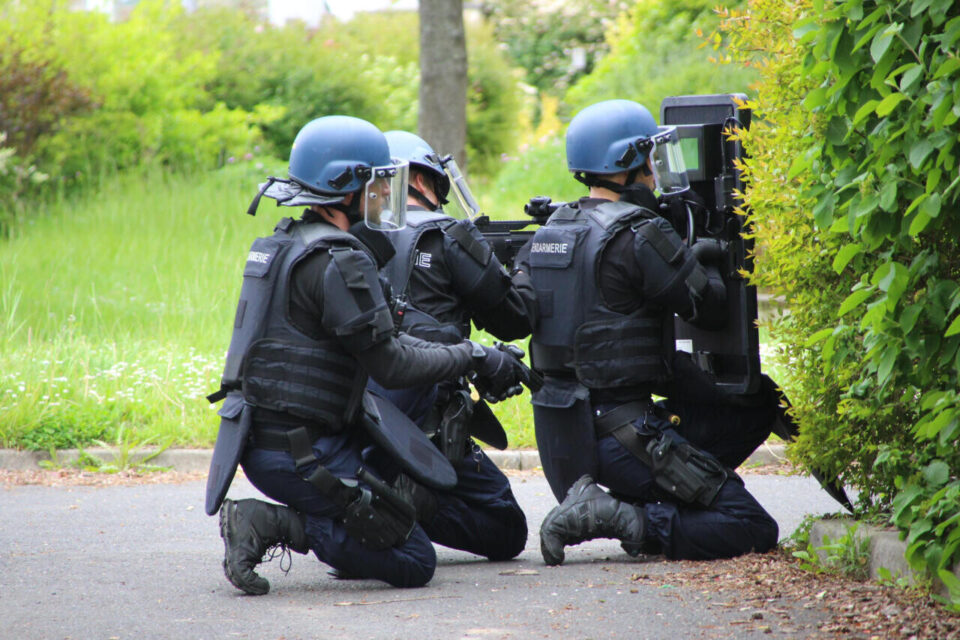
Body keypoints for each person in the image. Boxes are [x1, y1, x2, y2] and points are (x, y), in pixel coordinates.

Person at [205, 115, 530, 593]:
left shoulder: (288, 244)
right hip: (304, 453)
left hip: (272, 438)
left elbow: (389, 342)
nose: (383, 196)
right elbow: (393, 366)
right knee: (414, 560)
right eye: (377, 184)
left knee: (437, 525)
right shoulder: (339, 260)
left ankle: (368, 520)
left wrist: (472, 353)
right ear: (346, 188)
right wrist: (473, 357)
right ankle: (272, 523)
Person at [518, 99, 780, 564]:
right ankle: (624, 518)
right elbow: (708, 308)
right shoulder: (637, 233)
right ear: (629, 164)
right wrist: (703, 254)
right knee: (751, 525)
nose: (656, 174)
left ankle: (649, 504)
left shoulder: (550, 231)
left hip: (566, 435)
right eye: (650, 160)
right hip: (626, 436)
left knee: (757, 404)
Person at [364, 130, 535, 562]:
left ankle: (373, 511)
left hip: (361, 420)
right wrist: (525, 268)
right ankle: (403, 507)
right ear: (422, 180)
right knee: (507, 529)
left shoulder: (353, 237)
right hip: (427, 423)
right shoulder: (447, 234)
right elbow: (514, 320)